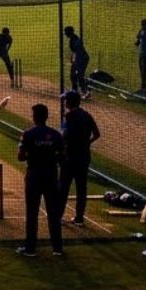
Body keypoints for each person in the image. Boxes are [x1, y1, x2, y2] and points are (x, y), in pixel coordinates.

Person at [17, 102, 65, 257]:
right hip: (51, 176)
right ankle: (57, 249)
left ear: (34, 117)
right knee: (53, 213)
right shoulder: (56, 134)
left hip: (34, 177)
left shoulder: (28, 134)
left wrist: (32, 153)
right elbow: (63, 156)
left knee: (32, 213)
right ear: (46, 117)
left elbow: (20, 157)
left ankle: (30, 249)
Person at [58, 90, 101, 226]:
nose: (64, 102)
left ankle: (58, 216)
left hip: (70, 157)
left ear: (69, 102)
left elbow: (65, 137)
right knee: (81, 189)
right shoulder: (86, 115)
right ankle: (79, 218)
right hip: (84, 157)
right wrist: (86, 143)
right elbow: (96, 134)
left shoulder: (69, 117)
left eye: (65, 100)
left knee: (63, 188)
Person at [64, 26, 90, 100]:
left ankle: (85, 92)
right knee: (72, 75)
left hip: (82, 59)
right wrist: (72, 58)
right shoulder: (72, 39)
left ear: (70, 32)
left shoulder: (76, 39)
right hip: (77, 59)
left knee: (80, 75)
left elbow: (78, 51)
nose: (65, 34)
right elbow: (74, 51)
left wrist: (75, 61)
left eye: (66, 32)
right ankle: (74, 91)